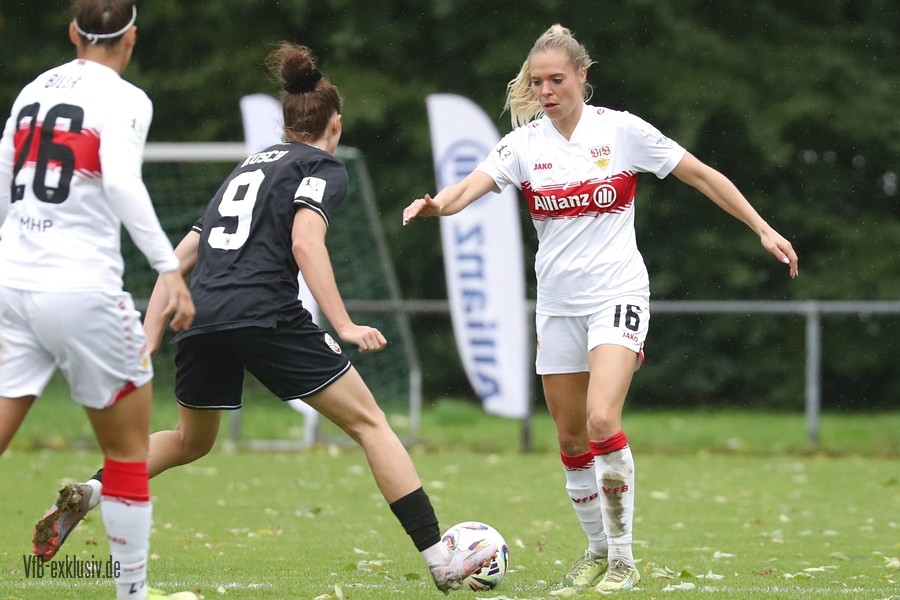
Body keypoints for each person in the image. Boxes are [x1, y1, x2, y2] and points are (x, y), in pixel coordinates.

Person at [34, 41, 496, 594]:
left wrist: (149, 334)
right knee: (371, 425)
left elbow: (179, 257)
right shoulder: (322, 167)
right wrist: (344, 324)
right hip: (265, 314)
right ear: (336, 123)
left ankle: (90, 491)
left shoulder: (245, 170)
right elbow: (305, 242)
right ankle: (439, 558)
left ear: (285, 123)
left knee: (190, 440)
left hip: (202, 317)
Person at [403, 24, 799, 594]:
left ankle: (623, 560)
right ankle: (594, 551)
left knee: (602, 422)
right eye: (537, 82)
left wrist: (762, 228)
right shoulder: (523, 145)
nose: (545, 91)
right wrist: (437, 206)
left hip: (617, 294)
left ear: (582, 77)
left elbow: (701, 175)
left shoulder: (621, 131)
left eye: (556, 80)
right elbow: (466, 190)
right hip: (557, 306)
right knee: (570, 440)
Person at [0, 2, 198, 599]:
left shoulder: (33, 91)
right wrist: (169, 267)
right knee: (129, 451)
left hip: (13, 281)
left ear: (73, 33)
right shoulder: (125, 97)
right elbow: (120, 182)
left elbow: (5, 180)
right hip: (80, 289)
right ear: (130, 36)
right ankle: (131, 594)